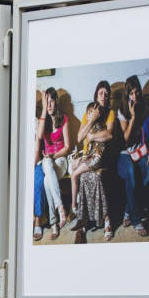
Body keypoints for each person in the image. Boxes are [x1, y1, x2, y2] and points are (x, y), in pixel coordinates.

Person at [67, 101, 112, 240]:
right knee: (78, 171)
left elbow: (108, 137)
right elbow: (80, 137)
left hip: (97, 159)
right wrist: (80, 158)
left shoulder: (100, 126)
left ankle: (74, 207)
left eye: (91, 113)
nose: (88, 115)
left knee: (76, 175)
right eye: (88, 113)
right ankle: (82, 217)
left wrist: (91, 136)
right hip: (90, 156)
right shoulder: (89, 124)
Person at [32, 87, 70, 241]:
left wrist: (55, 155)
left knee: (48, 167)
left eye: (51, 101)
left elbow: (67, 146)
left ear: (56, 102)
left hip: (60, 160)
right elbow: (40, 136)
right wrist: (43, 112)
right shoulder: (44, 121)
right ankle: (60, 208)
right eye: (46, 102)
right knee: (47, 176)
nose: (49, 105)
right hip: (48, 162)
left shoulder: (64, 118)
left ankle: (54, 222)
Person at [116, 75, 149, 237]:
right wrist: (133, 118)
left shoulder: (144, 107)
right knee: (131, 173)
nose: (135, 96)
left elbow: (147, 134)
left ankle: (128, 211)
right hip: (124, 153)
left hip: (140, 150)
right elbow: (125, 139)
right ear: (127, 94)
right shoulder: (122, 110)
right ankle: (137, 220)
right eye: (131, 93)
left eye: (137, 92)